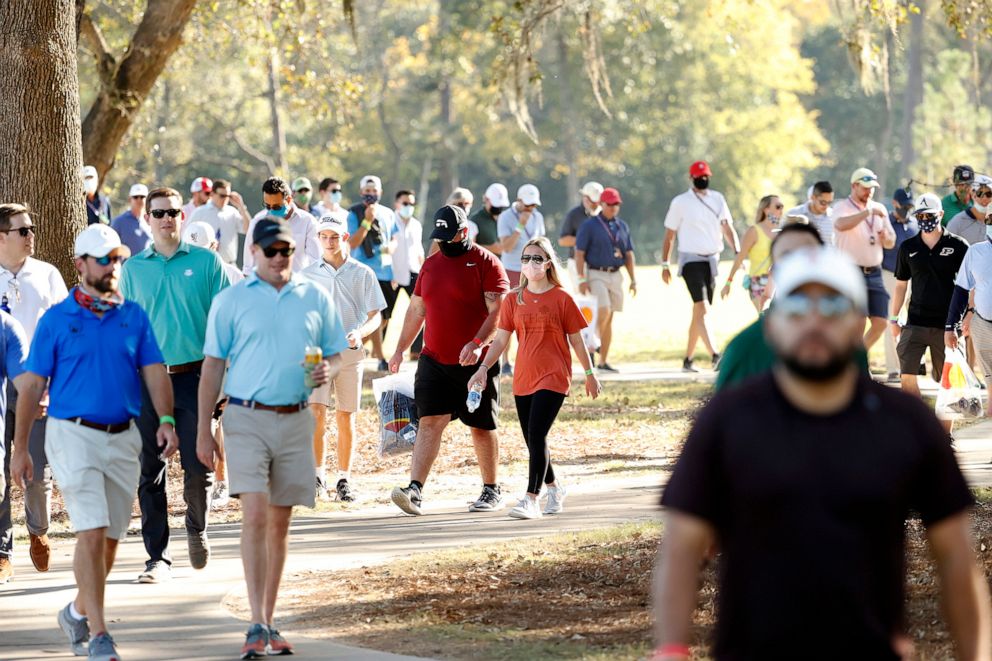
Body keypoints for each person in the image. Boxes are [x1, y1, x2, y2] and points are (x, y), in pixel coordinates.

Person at [653, 246, 991, 660]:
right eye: (797, 304)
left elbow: (956, 558)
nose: (814, 319)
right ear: (774, 326)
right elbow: (682, 548)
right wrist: (671, 648)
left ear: (857, 323)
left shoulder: (906, 424)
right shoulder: (726, 420)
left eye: (832, 304)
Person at [11, 224, 178, 661]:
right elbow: (30, 388)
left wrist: (164, 419)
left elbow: (156, 370)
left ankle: (76, 610)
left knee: (110, 539)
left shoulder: (133, 316)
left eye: (118, 259)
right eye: (105, 259)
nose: (113, 266)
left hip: (123, 435)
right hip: (72, 434)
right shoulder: (57, 319)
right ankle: (99, 634)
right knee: (91, 528)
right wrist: (21, 447)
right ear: (81, 265)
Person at [197, 218, 347, 659]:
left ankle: (270, 619)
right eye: (271, 250)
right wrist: (204, 427)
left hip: (297, 418)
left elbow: (336, 353)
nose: (280, 257)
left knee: (280, 523)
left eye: (286, 250)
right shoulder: (231, 299)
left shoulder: (314, 295)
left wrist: (329, 371)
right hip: (246, 417)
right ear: (255, 253)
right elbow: (211, 368)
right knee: (256, 516)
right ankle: (255, 623)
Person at [120, 187, 232, 584]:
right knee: (149, 471)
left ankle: (196, 527)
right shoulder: (132, 270)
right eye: (158, 213)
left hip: (196, 377)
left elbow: (227, 326)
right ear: (146, 219)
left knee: (199, 466)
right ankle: (157, 557)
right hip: (148, 381)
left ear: (182, 216)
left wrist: (225, 386)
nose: (166, 219)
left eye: (172, 212)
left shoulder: (206, 263)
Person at [388, 205, 509, 516]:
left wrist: (477, 343)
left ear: (464, 232)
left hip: (476, 363)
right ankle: (414, 489)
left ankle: (491, 488)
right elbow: (416, 310)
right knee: (429, 422)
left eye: (448, 236)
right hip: (434, 360)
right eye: (438, 236)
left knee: (481, 426)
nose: (442, 242)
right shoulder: (431, 265)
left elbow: (498, 313)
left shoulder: (486, 263)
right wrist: (401, 348)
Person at [470, 237, 601, 519]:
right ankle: (554, 487)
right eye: (526, 258)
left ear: (548, 264)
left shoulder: (562, 298)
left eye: (537, 258)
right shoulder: (514, 298)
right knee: (533, 439)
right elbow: (501, 339)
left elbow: (578, 341)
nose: (530, 263)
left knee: (538, 433)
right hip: (524, 376)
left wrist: (590, 374)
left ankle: (531, 498)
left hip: (554, 375)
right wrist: (482, 368)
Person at [0, 203, 68, 584]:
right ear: (2, 237)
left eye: (32, 228)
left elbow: (63, 331)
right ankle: (2, 550)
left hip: (38, 389)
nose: (32, 236)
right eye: (23, 230)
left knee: (35, 474)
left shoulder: (47, 274)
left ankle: (39, 531)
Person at [302, 215, 386, 501]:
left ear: (345, 238)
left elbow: (376, 316)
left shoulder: (362, 273)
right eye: (324, 236)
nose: (329, 242)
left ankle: (343, 479)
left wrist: (360, 333)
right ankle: (317, 476)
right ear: (318, 239)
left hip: (351, 353)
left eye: (334, 237)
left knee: (345, 416)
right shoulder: (307, 273)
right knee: (315, 412)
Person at [890, 193, 967, 416]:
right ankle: (917, 424)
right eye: (920, 215)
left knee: (948, 382)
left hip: (948, 325)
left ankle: (946, 436)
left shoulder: (958, 245)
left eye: (930, 215)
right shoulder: (908, 247)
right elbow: (901, 287)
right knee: (907, 374)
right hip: (915, 322)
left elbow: (969, 287)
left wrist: (968, 316)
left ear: (941, 215)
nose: (925, 219)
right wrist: (894, 318)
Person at [661, 160, 740, 373]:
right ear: (692, 178)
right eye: (699, 176)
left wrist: (737, 250)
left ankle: (688, 359)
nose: (702, 179)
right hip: (690, 260)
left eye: (705, 176)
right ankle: (716, 355)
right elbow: (670, 234)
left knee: (699, 312)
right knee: (702, 306)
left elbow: (727, 227)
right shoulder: (681, 202)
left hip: (712, 260)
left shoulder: (718, 199)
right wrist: (665, 263)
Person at [832, 167, 896, 352]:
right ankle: (857, 367)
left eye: (872, 188)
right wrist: (867, 213)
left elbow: (891, 242)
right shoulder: (842, 207)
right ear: (854, 186)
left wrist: (886, 238)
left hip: (874, 272)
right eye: (866, 187)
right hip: (851, 272)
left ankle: (855, 358)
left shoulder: (880, 209)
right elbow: (841, 225)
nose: (869, 192)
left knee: (881, 322)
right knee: (858, 323)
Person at [574, 187, 636, 372]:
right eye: (610, 204)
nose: (614, 208)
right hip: (596, 274)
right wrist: (581, 278)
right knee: (604, 310)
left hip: (616, 274)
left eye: (617, 204)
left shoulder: (622, 226)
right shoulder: (590, 225)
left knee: (610, 318)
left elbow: (629, 254)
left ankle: (603, 361)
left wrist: (634, 279)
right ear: (602, 204)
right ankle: (591, 343)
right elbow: (579, 253)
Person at [346, 175, 395, 371]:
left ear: (380, 192)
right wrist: (367, 221)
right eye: (367, 191)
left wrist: (391, 249)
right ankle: (380, 357)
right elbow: (353, 243)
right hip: (363, 270)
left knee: (383, 318)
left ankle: (353, 349)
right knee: (372, 314)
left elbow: (393, 238)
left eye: (374, 191)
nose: (371, 194)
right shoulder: (353, 213)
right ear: (361, 192)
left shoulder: (388, 213)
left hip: (384, 271)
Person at [497, 184, 546, 376]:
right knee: (509, 316)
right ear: (518, 201)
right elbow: (506, 247)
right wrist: (520, 225)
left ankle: (530, 358)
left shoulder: (538, 216)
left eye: (533, 206)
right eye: (527, 205)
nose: (531, 209)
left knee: (532, 316)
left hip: (533, 272)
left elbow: (541, 243)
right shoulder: (505, 217)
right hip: (512, 270)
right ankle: (505, 361)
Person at [243, 176, 320, 275]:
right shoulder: (258, 221)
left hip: (296, 285)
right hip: (265, 286)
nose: (271, 210)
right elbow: (248, 267)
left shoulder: (308, 222)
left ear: (288, 200)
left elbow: (315, 262)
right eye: (267, 206)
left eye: (276, 207)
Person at [881, 187, 919, 382]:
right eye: (904, 205)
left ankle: (909, 366)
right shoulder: (885, 222)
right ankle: (893, 368)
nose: (907, 209)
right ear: (895, 203)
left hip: (912, 278)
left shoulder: (915, 224)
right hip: (889, 276)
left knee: (910, 322)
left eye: (910, 206)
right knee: (892, 320)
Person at [721, 195, 781, 313]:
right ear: (766, 209)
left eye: (781, 206)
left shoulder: (780, 232)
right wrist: (728, 282)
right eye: (778, 206)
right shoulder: (754, 231)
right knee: (766, 321)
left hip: (776, 280)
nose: (781, 210)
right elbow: (740, 257)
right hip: (758, 282)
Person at [391, 189, 425, 359]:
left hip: (413, 272)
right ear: (397, 204)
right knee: (385, 313)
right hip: (394, 274)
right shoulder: (390, 222)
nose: (409, 207)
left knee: (419, 309)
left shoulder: (416, 225)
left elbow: (419, 250)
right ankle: (376, 350)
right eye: (405, 203)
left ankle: (416, 351)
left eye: (412, 204)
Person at [189, 178, 252, 265]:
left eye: (228, 196)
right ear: (212, 194)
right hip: (206, 264)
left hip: (230, 265)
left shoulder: (232, 212)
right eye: (222, 196)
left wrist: (241, 206)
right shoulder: (199, 212)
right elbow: (189, 235)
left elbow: (248, 229)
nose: (225, 199)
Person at [559, 181, 604, 291]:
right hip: (577, 263)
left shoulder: (603, 215)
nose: (596, 204)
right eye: (593, 201)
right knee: (584, 301)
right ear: (585, 198)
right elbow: (563, 241)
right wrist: (585, 240)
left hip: (599, 264)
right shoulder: (574, 214)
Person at [946, 174, 992, 245]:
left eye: (989, 194)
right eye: (980, 193)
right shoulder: (957, 222)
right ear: (972, 194)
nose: (985, 198)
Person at [110, 183, 151, 255]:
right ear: (129, 199)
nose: (139, 200)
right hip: (126, 265)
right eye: (135, 197)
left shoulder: (152, 221)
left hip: (148, 265)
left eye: (142, 197)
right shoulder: (119, 221)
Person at [469, 183, 509, 256]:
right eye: (496, 205)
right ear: (486, 199)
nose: (498, 208)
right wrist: (492, 248)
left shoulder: (506, 219)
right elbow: (469, 248)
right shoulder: (475, 220)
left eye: (500, 205)